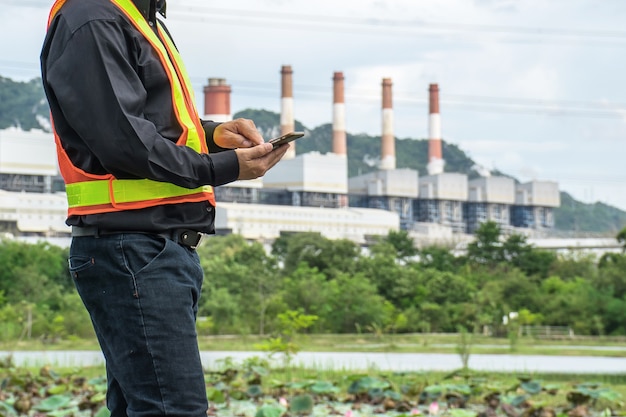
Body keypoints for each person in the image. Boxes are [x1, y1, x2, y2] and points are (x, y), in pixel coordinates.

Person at [40, 0, 289, 416]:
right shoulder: (92, 16)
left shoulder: (139, 17)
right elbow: (125, 143)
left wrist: (213, 135)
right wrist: (226, 166)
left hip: (149, 251)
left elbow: (153, 128)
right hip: (132, 250)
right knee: (173, 409)